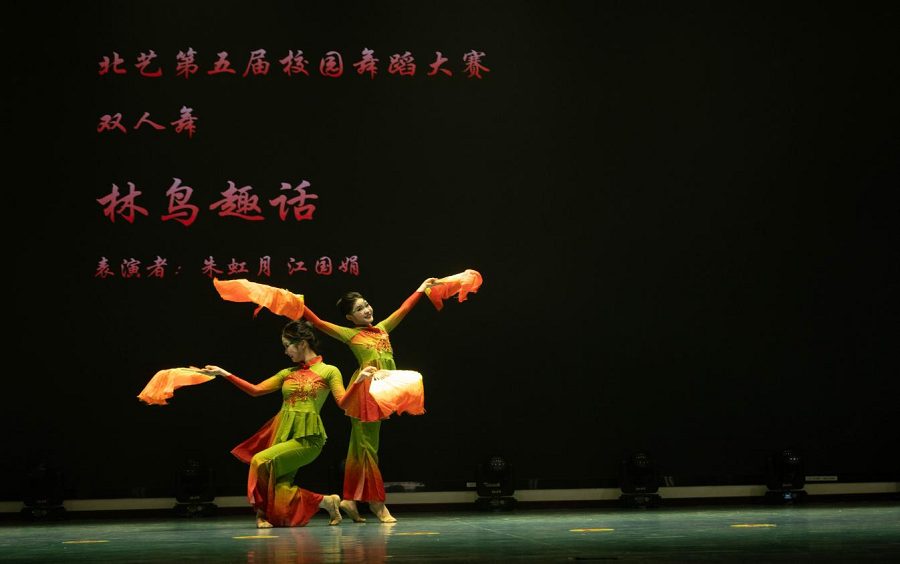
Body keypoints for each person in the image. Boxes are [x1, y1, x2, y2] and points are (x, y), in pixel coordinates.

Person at [203, 320, 373, 528]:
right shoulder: (287, 373)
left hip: (308, 439)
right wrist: (224, 374)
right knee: (280, 496)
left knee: (260, 461)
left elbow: (343, 403)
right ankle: (327, 502)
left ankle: (260, 515)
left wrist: (358, 381)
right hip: (283, 435)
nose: (285, 352)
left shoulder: (329, 371)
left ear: (302, 343)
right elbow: (255, 390)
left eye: (287, 345)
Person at [301, 278, 436, 523]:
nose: (366, 310)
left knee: (360, 448)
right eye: (359, 309)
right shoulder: (350, 334)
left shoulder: (383, 328)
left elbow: (404, 309)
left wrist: (421, 289)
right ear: (350, 317)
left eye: (366, 304)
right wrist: (294, 303)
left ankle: (350, 500)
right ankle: (376, 504)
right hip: (365, 392)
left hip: (382, 390)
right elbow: (319, 323)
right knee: (368, 449)